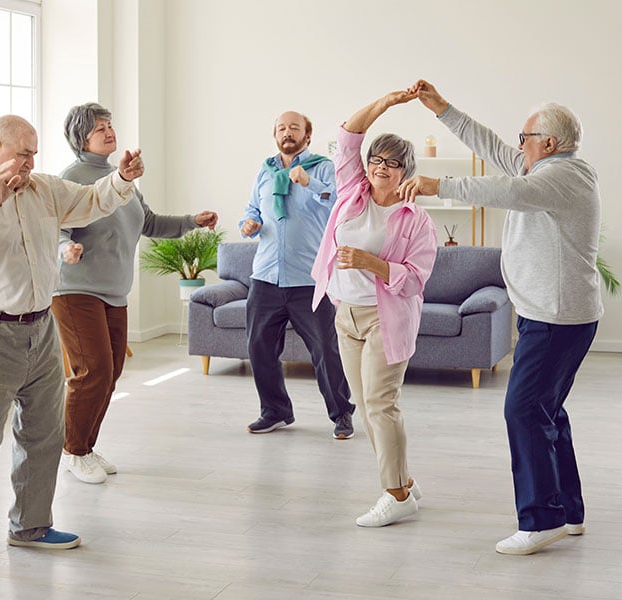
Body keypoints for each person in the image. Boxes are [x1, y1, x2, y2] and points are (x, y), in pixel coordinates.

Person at [0, 114, 144, 564]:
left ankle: (30, 524)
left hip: (40, 328)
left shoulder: (44, 188)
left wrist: (120, 178)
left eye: (34, 152)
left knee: (44, 432)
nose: (30, 161)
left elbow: (91, 200)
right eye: (22, 154)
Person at [399, 79, 603, 554]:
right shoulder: (546, 168)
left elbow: (504, 188)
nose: (518, 145)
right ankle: (568, 511)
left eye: (525, 137)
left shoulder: (561, 177)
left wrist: (437, 184)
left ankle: (541, 520)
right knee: (547, 410)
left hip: (556, 318)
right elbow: (491, 147)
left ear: (548, 143)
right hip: (554, 314)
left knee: (522, 409)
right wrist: (442, 108)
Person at [54, 102, 218, 484]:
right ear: (82, 137)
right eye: (100, 128)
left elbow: (149, 222)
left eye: (110, 125)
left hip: (113, 291)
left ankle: (85, 446)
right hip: (76, 289)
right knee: (91, 371)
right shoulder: (71, 177)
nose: (110, 132)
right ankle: (72, 450)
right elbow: (56, 225)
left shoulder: (120, 177)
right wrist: (65, 247)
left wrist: (193, 222)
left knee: (110, 373)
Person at [311, 90, 437, 527]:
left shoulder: (415, 220)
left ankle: (396, 493)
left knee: (381, 405)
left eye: (392, 163)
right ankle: (403, 477)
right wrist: (386, 102)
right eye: (376, 160)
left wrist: (372, 263)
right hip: (344, 313)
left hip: (387, 318)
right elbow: (348, 135)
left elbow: (417, 279)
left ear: (407, 172)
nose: (381, 168)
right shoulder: (351, 192)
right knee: (365, 408)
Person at [240, 111, 354, 438]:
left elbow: (340, 204)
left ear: (307, 135)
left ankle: (341, 413)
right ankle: (274, 411)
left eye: (294, 128)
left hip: (308, 279)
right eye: (281, 128)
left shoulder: (323, 168)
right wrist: (248, 225)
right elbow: (252, 211)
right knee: (259, 348)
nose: (287, 132)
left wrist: (309, 182)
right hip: (265, 276)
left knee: (325, 349)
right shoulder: (265, 171)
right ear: (275, 135)